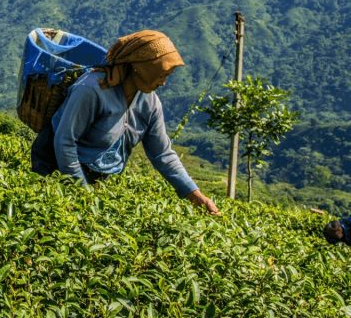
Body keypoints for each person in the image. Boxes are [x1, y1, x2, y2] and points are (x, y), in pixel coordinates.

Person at [31, 29, 220, 215]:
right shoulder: (92, 90)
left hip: (96, 173)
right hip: (54, 163)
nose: (163, 83)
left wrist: (196, 196)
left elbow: (163, 154)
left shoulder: (150, 103)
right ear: (141, 67)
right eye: (161, 74)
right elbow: (64, 142)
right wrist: (81, 191)